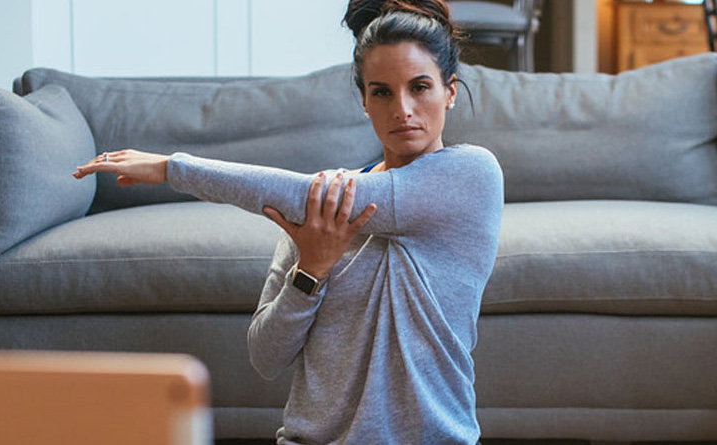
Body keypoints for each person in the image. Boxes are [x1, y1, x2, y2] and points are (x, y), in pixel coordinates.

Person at [72, 0, 504, 443]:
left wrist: (172, 168)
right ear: (363, 101)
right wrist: (311, 271)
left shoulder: (471, 175)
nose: (403, 109)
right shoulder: (314, 217)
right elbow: (266, 357)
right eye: (382, 92)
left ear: (450, 90)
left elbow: (304, 193)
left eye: (420, 87)